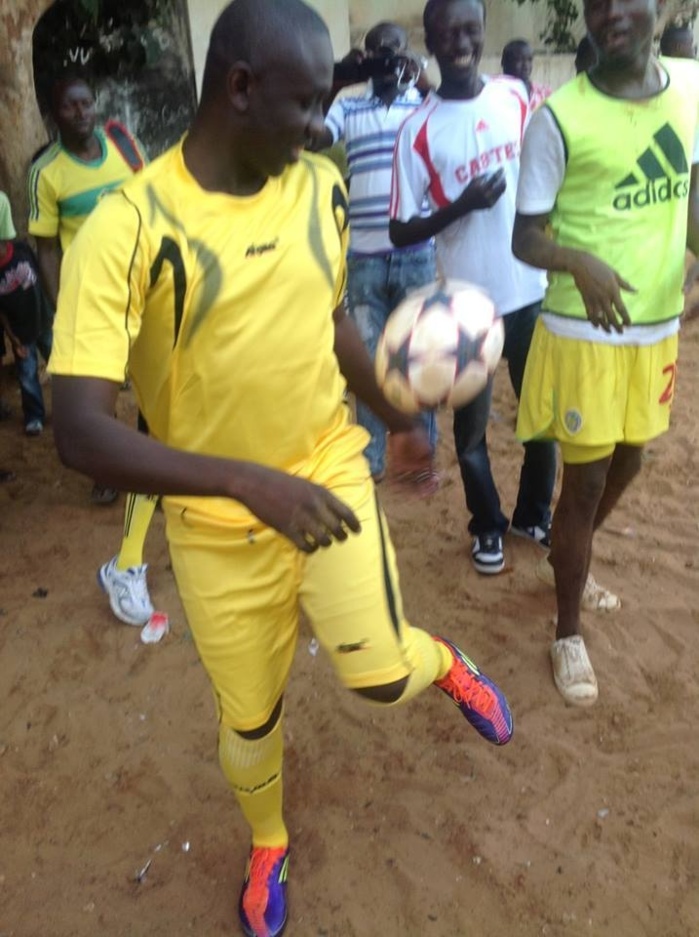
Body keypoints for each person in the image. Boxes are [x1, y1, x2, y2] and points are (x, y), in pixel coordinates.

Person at [48, 2, 514, 935]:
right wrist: (241, 481)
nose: (318, 128)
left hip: (328, 473)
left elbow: (330, 321)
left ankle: (443, 663)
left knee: (381, 676)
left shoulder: (318, 187)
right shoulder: (124, 230)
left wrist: (395, 413)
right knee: (249, 724)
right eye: (307, 106)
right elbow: (76, 429)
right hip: (221, 529)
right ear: (240, 87)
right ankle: (269, 840)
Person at [512, 0, 699, 706]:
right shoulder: (556, 119)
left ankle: (571, 554)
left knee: (634, 459)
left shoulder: (688, 88)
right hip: (583, 335)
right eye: (594, 3)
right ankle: (566, 631)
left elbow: (691, 196)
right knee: (583, 483)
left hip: (655, 328)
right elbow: (525, 237)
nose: (609, 13)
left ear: (661, 7)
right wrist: (575, 260)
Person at [389, 0, 556, 576]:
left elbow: (553, 165)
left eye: (470, 29)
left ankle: (534, 515)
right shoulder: (417, 129)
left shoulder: (514, 95)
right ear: (430, 41)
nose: (460, 41)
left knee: (541, 419)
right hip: (467, 306)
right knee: (470, 435)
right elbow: (400, 226)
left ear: (482, 33)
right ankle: (487, 526)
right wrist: (459, 205)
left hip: (531, 289)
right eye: (446, 32)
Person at [27, 75, 157, 626]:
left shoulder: (124, 143)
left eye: (85, 102)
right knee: (99, 416)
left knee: (159, 412)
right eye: (68, 105)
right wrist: (64, 311)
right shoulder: (45, 173)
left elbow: (153, 201)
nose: (80, 112)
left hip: (148, 290)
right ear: (55, 114)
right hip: (94, 303)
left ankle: (150, 485)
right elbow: (46, 246)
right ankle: (123, 538)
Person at [313, 21, 438, 492]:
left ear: (408, 54)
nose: (387, 59)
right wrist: (340, 77)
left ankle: (421, 453)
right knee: (367, 362)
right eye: (376, 52)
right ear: (366, 57)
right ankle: (372, 456)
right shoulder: (349, 104)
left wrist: (421, 76)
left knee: (419, 358)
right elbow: (312, 138)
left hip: (416, 254)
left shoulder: (423, 104)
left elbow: (451, 107)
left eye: (395, 51)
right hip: (363, 256)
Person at [0, 192, 53, 436]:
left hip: (45, 321)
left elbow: (43, 274)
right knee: (28, 376)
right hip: (22, 333)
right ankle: (34, 416)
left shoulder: (21, 249)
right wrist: (13, 340)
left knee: (62, 365)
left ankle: (68, 410)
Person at [501, 38, 551, 112]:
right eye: (519, 60)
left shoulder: (543, 93)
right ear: (504, 62)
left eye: (529, 60)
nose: (526, 66)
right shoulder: (496, 93)